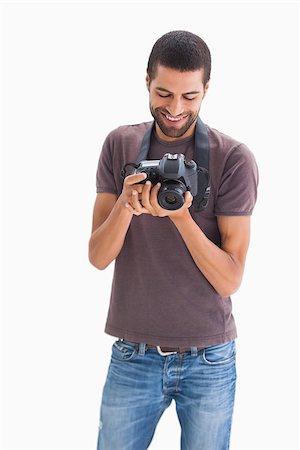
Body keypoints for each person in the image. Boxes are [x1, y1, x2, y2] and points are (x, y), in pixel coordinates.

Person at [89, 30, 258, 450]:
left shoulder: (233, 158)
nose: (176, 108)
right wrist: (126, 207)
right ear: (147, 81)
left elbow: (229, 279)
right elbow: (97, 256)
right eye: (164, 93)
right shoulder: (119, 144)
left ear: (206, 89)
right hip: (133, 353)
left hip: (210, 358)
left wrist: (180, 217)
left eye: (190, 96)